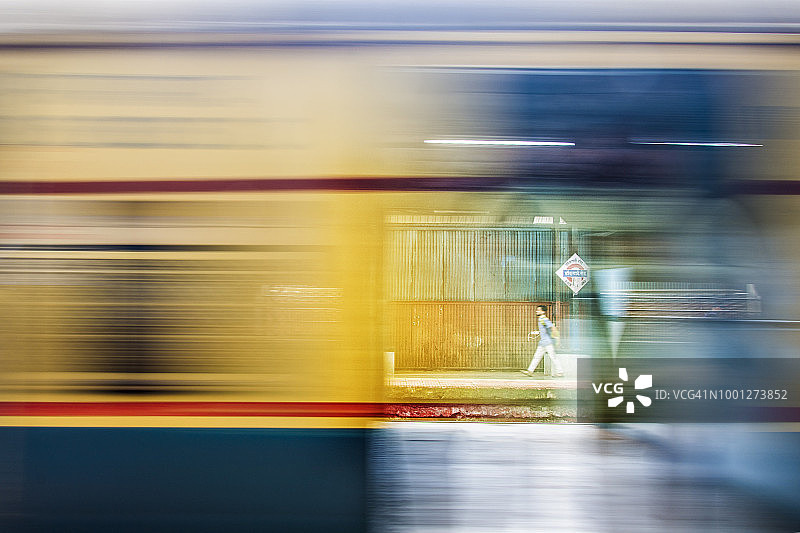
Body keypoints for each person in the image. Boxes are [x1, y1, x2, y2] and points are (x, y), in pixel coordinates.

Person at [521, 305, 564, 377]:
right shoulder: (541, 319)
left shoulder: (544, 319)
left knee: (552, 356)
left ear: (543, 311)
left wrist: (556, 337)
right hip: (543, 342)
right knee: (537, 356)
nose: (536, 311)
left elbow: (552, 327)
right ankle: (530, 371)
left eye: (538, 310)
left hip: (547, 342)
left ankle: (560, 372)